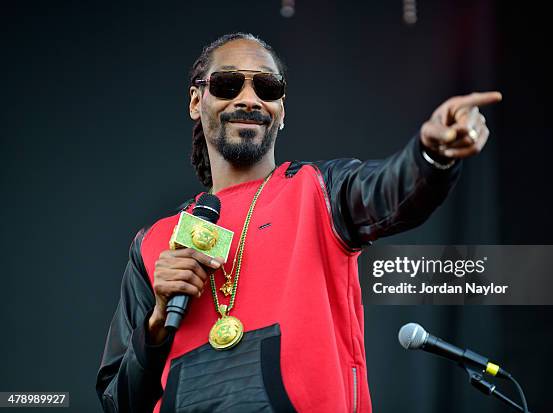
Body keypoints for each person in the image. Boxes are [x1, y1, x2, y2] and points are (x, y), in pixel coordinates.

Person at [95, 32, 501, 413]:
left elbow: (391, 191)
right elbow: (119, 401)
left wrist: (430, 155)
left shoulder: (319, 190)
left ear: (282, 110)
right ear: (195, 101)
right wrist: (155, 327)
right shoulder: (154, 243)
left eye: (267, 88)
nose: (249, 99)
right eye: (227, 84)